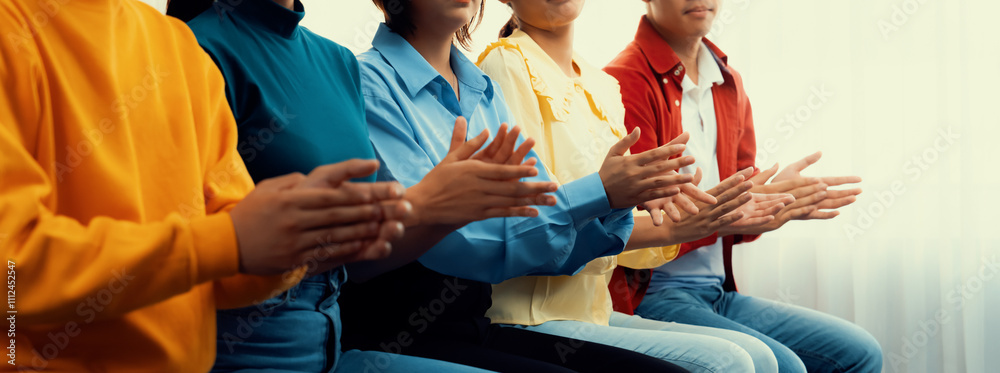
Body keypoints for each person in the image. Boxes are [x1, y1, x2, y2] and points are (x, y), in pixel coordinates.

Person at [0, 0, 410, 370]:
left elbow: (228, 261)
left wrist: (293, 236)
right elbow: (12, 271)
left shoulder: (177, 46)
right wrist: (225, 243)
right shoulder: (11, 29)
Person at [172, 0, 561, 371]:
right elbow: (201, 249)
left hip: (334, 348)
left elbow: (363, 262)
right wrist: (423, 207)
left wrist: (438, 210)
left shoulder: (336, 61)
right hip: (243, 355)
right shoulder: (193, 49)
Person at [338, 0, 693, 371]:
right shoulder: (368, 82)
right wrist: (599, 192)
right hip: (397, 335)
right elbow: (453, 246)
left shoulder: (484, 90)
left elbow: (543, 239)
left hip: (475, 325)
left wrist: (617, 199)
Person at [476, 1, 799, 372]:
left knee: (761, 359)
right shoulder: (505, 64)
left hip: (595, 312)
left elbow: (620, 245)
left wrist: (692, 218)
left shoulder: (601, 84)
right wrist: (691, 223)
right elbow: (526, 225)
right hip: (532, 315)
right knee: (732, 363)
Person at [603, 1, 883, 372]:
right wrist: (729, 215)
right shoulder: (623, 80)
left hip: (716, 291)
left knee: (861, 351)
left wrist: (772, 201)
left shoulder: (727, 80)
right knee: (784, 366)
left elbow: (738, 221)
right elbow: (630, 222)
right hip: (650, 295)